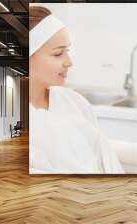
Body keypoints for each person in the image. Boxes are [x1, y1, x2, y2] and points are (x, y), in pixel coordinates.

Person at [28, 6, 124, 174]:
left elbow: (107, 160)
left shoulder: (75, 102)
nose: (69, 62)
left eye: (67, 51)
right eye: (58, 54)